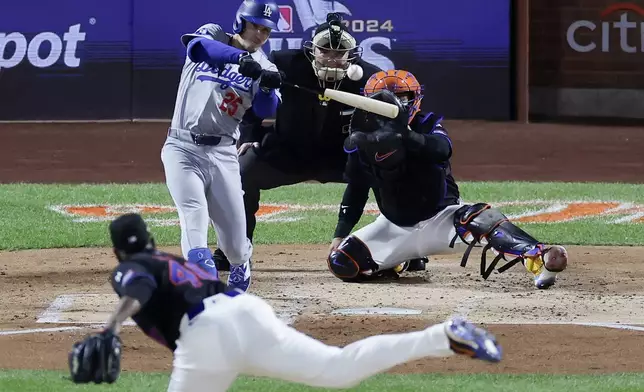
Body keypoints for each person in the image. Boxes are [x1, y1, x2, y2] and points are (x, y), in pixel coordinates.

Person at [67, 213, 502, 391]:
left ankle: (442, 337)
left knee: (334, 370)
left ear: (118, 251)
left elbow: (135, 289)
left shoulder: (132, 267)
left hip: (205, 337)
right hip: (245, 309)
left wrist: (109, 327)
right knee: (336, 368)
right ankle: (442, 336)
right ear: (150, 239)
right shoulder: (170, 260)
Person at [214, 12, 428, 273]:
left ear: (353, 55)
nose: (332, 57)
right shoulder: (284, 64)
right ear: (312, 50)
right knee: (242, 172)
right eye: (324, 50)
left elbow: (392, 119)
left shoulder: (369, 79)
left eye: (340, 53)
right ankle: (233, 251)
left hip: (343, 158)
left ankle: (409, 248)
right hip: (288, 153)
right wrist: (249, 138)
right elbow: (253, 99)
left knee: (392, 171)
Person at [327, 69, 569, 288]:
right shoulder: (361, 140)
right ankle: (403, 260)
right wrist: (340, 233)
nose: (398, 103)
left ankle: (538, 256)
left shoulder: (426, 123)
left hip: (442, 220)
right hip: (393, 226)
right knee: (342, 263)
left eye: (404, 96)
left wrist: (405, 135)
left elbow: (442, 149)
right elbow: (357, 188)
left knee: (480, 216)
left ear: (415, 99)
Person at [161, 0, 285, 292]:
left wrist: (267, 86)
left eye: (266, 30)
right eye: (256, 26)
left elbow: (266, 110)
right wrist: (240, 59)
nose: (260, 35)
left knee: (234, 246)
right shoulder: (214, 35)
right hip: (181, 148)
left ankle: (242, 261)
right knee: (193, 211)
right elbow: (198, 49)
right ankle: (202, 273)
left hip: (222, 154)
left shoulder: (265, 66)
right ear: (241, 22)